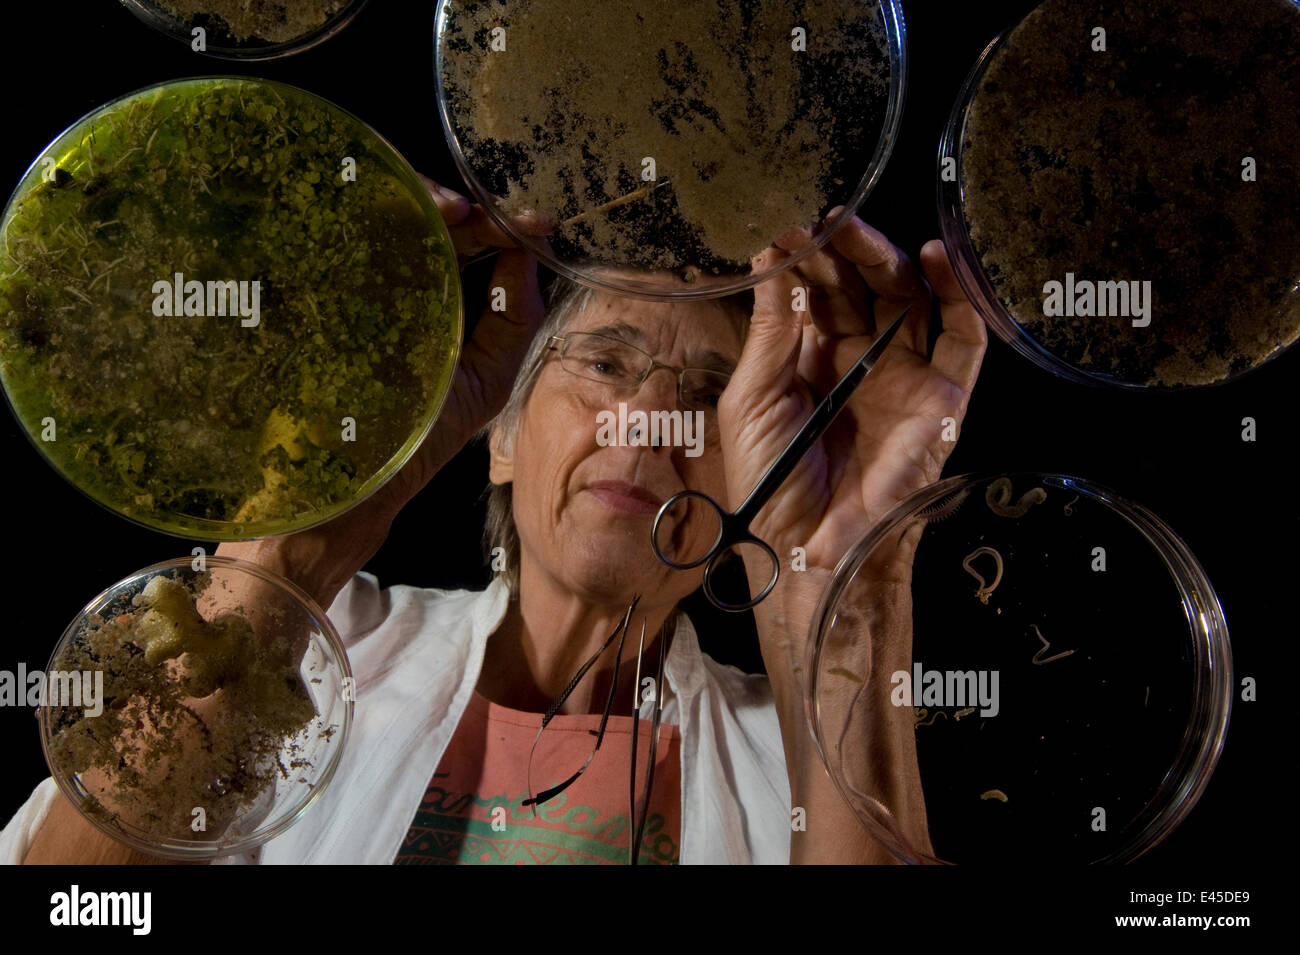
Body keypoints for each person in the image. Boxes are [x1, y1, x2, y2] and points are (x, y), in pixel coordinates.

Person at [3, 178, 986, 865]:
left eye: (712, 395)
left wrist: (845, 580)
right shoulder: (307, 648)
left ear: (756, 487)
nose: (645, 420)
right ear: (502, 433)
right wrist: (296, 543)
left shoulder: (812, 759)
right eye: (604, 362)